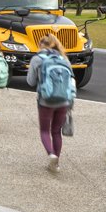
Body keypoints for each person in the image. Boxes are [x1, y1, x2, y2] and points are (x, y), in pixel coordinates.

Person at [27, 35, 75, 172]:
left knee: (44, 130)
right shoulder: (63, 59)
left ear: (40, 45)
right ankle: (57, 163)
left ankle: (51, 154)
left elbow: (30, 81)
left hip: (46, 100)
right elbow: (71, 80)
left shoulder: (37, 59)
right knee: (56, 132)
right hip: (64, 101)